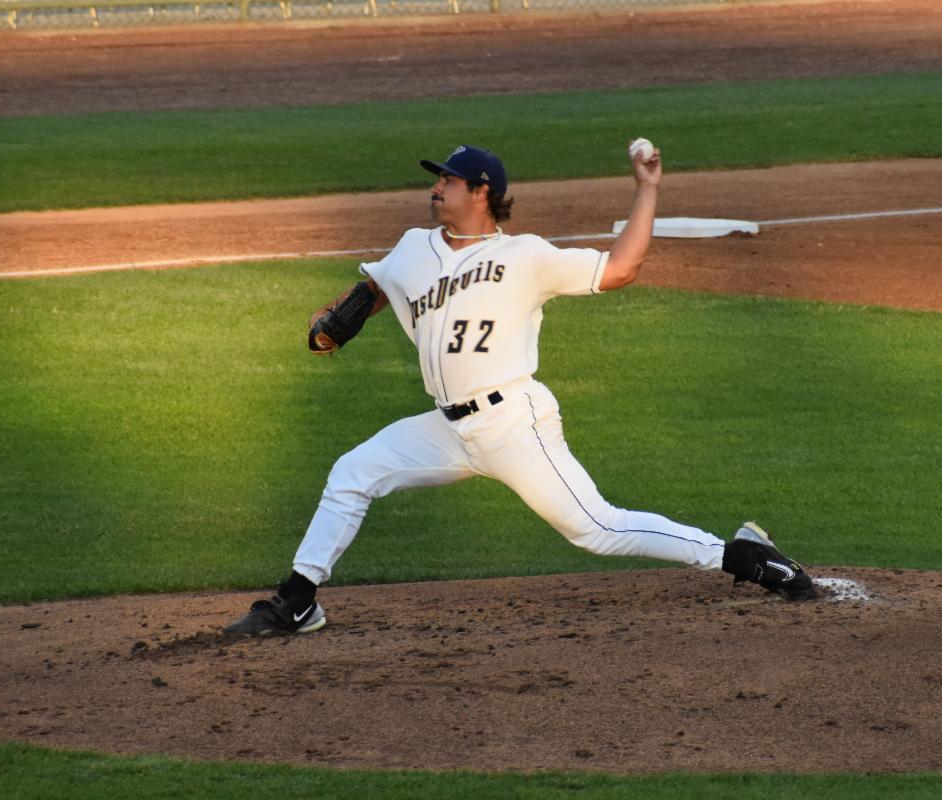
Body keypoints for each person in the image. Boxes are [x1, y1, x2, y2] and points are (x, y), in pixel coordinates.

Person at [225, 143, 814, 636]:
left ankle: (741, 557)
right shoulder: (412, 247)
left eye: (447, 181)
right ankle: (299, 600)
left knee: (597, 529)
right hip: (446, 429)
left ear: (480, 191)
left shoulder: (525, 256)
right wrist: (333, 322)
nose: (436, 188)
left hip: (513, 423)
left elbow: (621, 268)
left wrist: (647, 189)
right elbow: (375, 291)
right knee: (353, 472)